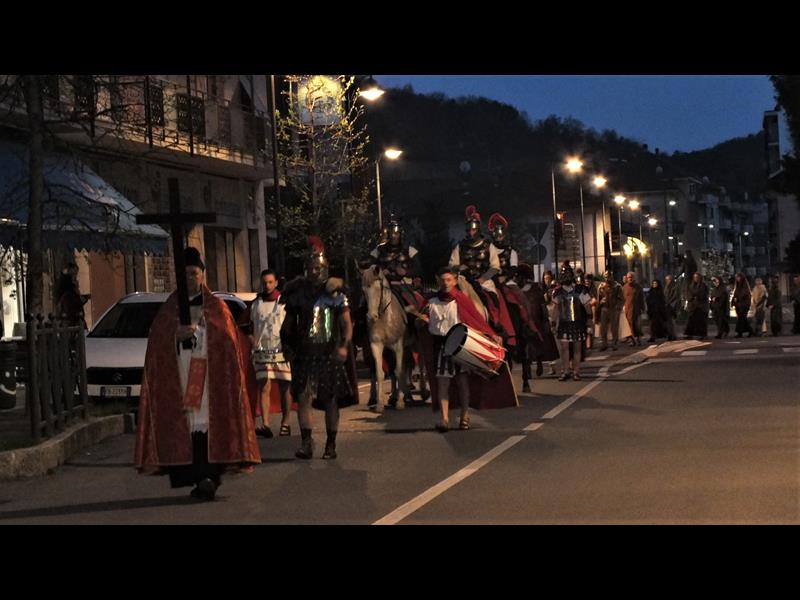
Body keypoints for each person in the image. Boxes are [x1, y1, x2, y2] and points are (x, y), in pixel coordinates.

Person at [135, 247, 261, 501]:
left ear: (203, 275)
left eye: (194, 273)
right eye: (185, 274)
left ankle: (209, 477)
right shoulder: (169, 309)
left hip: (208, 378)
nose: (191, 279)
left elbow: (227, 341)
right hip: (180, 375)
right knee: (187, 426)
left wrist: (200, 333)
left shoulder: (217, 307)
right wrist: (175, 336)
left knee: (207, 425)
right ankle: (195, 476)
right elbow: (157, 343)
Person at [281, 236, 358, 460]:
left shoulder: (335, 294)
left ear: (324, 268)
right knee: (303, 397)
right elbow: (287, 325)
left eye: (318, 268)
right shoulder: (297, 293)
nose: (314, 272)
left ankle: (330, 444)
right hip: (304, 353)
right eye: (311, 268)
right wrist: (287, 345)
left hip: (328, 353)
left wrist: (343, 346)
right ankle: (306, 443)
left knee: (330, 399)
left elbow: (346, 324)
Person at [419, 267, 501, 432]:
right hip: (441, 346)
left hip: (460, 345)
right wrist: (421, 320)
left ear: (455, 281)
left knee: (462, 382)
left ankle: (465, 416)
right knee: (443, 383)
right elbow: (423, 322)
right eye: (443, 280)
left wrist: (490, 334)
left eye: (449, 280)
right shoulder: (431, 302)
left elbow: (474, 320)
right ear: (438, 281)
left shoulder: (461, 299)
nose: (445, 283)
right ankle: (444, 419)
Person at [250, 269, 293, 439]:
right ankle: (266, 424)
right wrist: (253, 341)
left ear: (276, 283)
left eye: (270, 282)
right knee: (264, 386)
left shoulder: (284, 302)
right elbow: (246, 325)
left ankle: (286, 422)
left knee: (284, 386)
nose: (267, 285)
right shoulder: (256, 303)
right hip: (262, 351)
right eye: (264, 282)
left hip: (281, 349)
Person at [552, 261, 592, 381]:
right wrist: (553, 323)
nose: (567, 277)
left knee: (577, 348)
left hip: (577, 323)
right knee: (564, 348)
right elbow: (556, 309)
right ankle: (565, 371)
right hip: (564, 323)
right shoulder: (558, 291)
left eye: (568, 274)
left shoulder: (580, 289)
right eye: (564, 275)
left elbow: (587, 306)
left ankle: (576, 372)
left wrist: (589, 322)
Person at [56, 262, 90, 328]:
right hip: (73, 320)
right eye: (75, 273)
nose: (76, 276)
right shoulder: (68, 289)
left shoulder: (66, 284)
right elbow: (74, 303)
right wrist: (82, 299)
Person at [597, 271, 623, 351]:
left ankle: (614, 344)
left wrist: (618, 307)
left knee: (614, 328)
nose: (607, 278)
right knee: (603, 328)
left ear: (611, 276)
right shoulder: (601, 286)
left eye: (608, 276)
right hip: (604, 308)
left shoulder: (617, 286)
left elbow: (620, 298)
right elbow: (598, 298)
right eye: (605, 276)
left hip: (613, 308)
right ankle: (604, 344)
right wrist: (600, 303)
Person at [683, 272, 709, 340]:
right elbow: (688, 293)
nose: (696, 279)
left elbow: (702, 294)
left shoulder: (703, 285)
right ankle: (690, 334)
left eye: (697, 277)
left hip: (700, 306)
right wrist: (692, 297)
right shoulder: (691, 285)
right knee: (691, 321)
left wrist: (696, 296)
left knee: (701, 321)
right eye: (694, 277)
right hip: (692, 306)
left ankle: (702, 335)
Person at [623, 271, 645, 346]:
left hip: (636, 309)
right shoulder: (625, 287)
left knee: (637, 325)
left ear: (634, 278)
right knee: (629, 326)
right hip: (628, 309)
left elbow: (641, 298)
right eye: (629, 277)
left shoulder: (638, 287)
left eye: (631, 277)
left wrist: (643, 308)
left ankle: (638, 339)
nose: (630, 279)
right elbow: (622, 298)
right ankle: (632, 340)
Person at [732, 273, 753, 338]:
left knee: (741, 319)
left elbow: (746, 296)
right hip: (738, 305)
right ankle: (750, 331)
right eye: (736, 277)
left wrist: (740, 301)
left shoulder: (745, 287)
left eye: (738, 277)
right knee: (743, 319)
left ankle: (740, 332)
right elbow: (735, 295)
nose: (737, 279)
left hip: (744, 305)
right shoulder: (737, 286)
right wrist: (734, 301)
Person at [663, 274, 680, 341]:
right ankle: (670, 335)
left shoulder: (675, 286)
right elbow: (664, 295)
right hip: (667, 306)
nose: (667, 281)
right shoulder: (666, 287)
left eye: (669, 279)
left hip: (672, 306)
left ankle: (673, 335)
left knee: (672, 322)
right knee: (668, 322)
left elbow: (675, 296)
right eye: (666, 279)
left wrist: (668, 302)